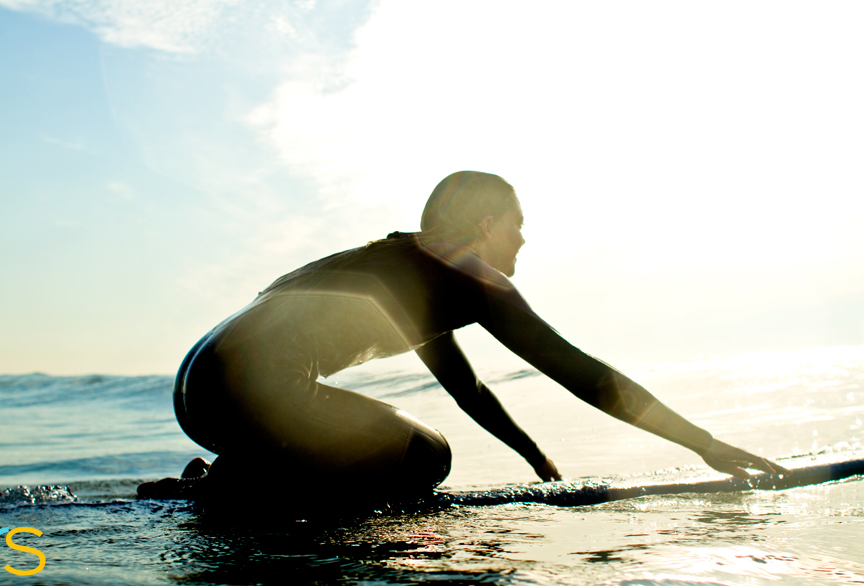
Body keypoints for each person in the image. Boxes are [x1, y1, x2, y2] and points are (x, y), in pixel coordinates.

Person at [138, 171, 787, 501]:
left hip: (201, 392)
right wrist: (704, 443)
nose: (524, 239)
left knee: (387, 443)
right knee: (425, 459)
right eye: (517, 224)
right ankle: (228, 493)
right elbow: (580, 371)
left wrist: (536, 463)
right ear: (484, 221)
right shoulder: (468, 273)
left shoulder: (399, 272)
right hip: (257, 393)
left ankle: (222, 479)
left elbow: (467, 387)